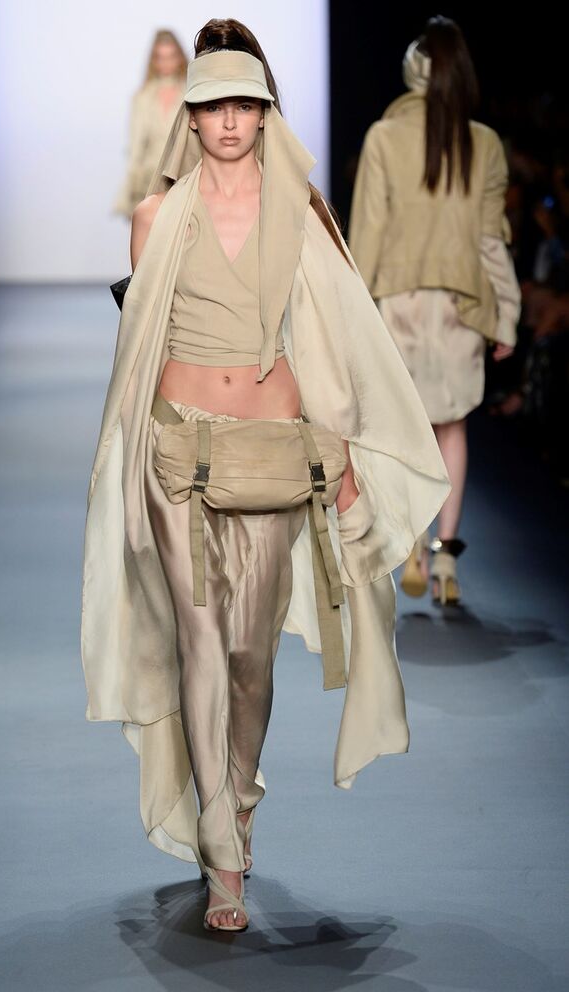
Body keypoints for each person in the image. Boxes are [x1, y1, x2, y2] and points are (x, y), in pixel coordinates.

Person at [81, 19, 451, 934]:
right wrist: (123, 467)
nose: (230, 121)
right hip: (178, 451)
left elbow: (333, 348)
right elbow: (142, 350)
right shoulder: (157, 218)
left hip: (277, 454)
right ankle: (220, 847)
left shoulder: (305, 216)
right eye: (214, 106)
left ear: (265, 113)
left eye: (245, 105)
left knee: (251, 654)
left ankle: (238, 794)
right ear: (191, 117)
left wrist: (344, 462)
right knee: (201, 642)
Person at [348, 16, 521, 606]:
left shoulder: (383, 138)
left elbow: (368, 233)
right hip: (461, 303)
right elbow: (491, 240)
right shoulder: (485, 144)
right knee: (452, 427)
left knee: (402, 427)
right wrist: (507, 314)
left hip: (397, 299)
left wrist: (351, 312)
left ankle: (416, 544)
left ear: (411, 72)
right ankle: (447, 557)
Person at [112, 29, 187, 219]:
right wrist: (129, 190)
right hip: (148, 181)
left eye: (171, 56)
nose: (166, 63)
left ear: (180, 58)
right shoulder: (142, 98)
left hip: (183, 179)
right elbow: (135, 148)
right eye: (160, 57)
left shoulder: (191, 94)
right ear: (153, 60)